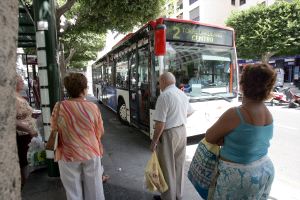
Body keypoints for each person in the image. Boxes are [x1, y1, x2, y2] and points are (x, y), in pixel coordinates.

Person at [205, 63, 276, 199]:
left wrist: (225, 139)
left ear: (243, 85)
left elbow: (209, 137)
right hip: (265, 169)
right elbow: (252, 139)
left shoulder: (235, 114)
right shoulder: (268, 113)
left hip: (239, 176)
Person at [51, 73, 105, 200]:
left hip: (67, 153)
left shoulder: (59, 106)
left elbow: (54, 129)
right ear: (84, 89)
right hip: (91, 151)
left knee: (73, 192)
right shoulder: (93, 107)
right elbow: (100, 131)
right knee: (95, 189)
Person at [150, 72, 194, 200]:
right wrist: (178, 118)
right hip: (181, 131)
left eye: (159, 83)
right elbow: (190, 111)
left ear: (163, 82)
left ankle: (168, 197)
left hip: (169, 134)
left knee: (167, 167)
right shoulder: (182, 94)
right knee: (178, 166)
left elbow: (160, 124)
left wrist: (154, 141)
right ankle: (178, 195)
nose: (159, 86)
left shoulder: (164, 96)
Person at [16, 75, 38, 188]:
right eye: (20, 81)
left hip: (27, 133)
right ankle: (25, 184)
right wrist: (29, 129)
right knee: (24, 159)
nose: (22, 82)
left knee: (27, 158)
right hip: (22, 134)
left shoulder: (18, 96)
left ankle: (26, 182)